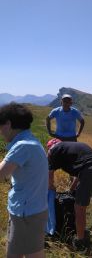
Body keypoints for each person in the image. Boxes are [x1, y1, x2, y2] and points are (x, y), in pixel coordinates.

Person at [0, 103, 48, 258]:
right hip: (31, 209)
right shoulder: (31, 141)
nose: (0, 132)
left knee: (26, 254)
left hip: (26, 213)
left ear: (8, 124)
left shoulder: (22, 146)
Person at [46, 139, 92, 251]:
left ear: (50, 147)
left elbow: (49, 176)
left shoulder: (53, 151)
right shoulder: (72, 148)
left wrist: (52, 190)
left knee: (79, 207)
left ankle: (80, 241)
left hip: (89, 170)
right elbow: (78, 175)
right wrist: (71, 190)